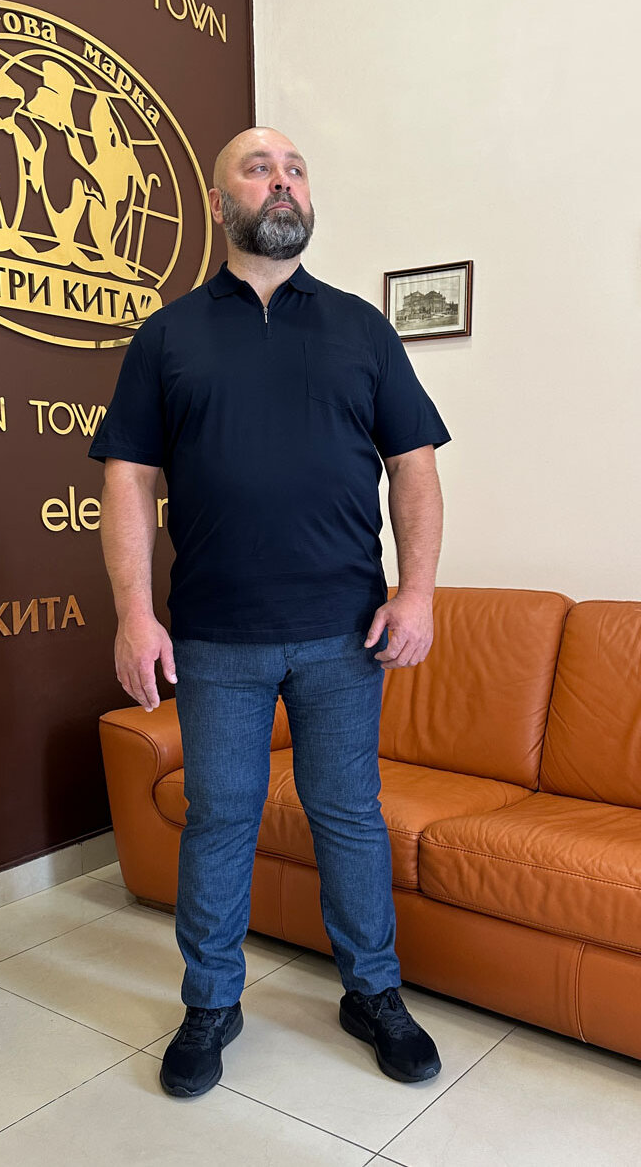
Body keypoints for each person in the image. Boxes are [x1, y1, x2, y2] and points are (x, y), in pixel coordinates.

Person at [89, 126, 450, 1098]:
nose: (281, 181)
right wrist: (134, 614)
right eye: (259, 169)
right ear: (219, 203)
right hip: (215, 638)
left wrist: (417, 591)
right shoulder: (167, 336)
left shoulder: (361, 328)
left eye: (294, 170)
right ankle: (211, 1005)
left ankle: (372, 993)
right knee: (220, 820)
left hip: (346, 634)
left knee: (349, 816)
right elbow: (127, 480)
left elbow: (413, 466)